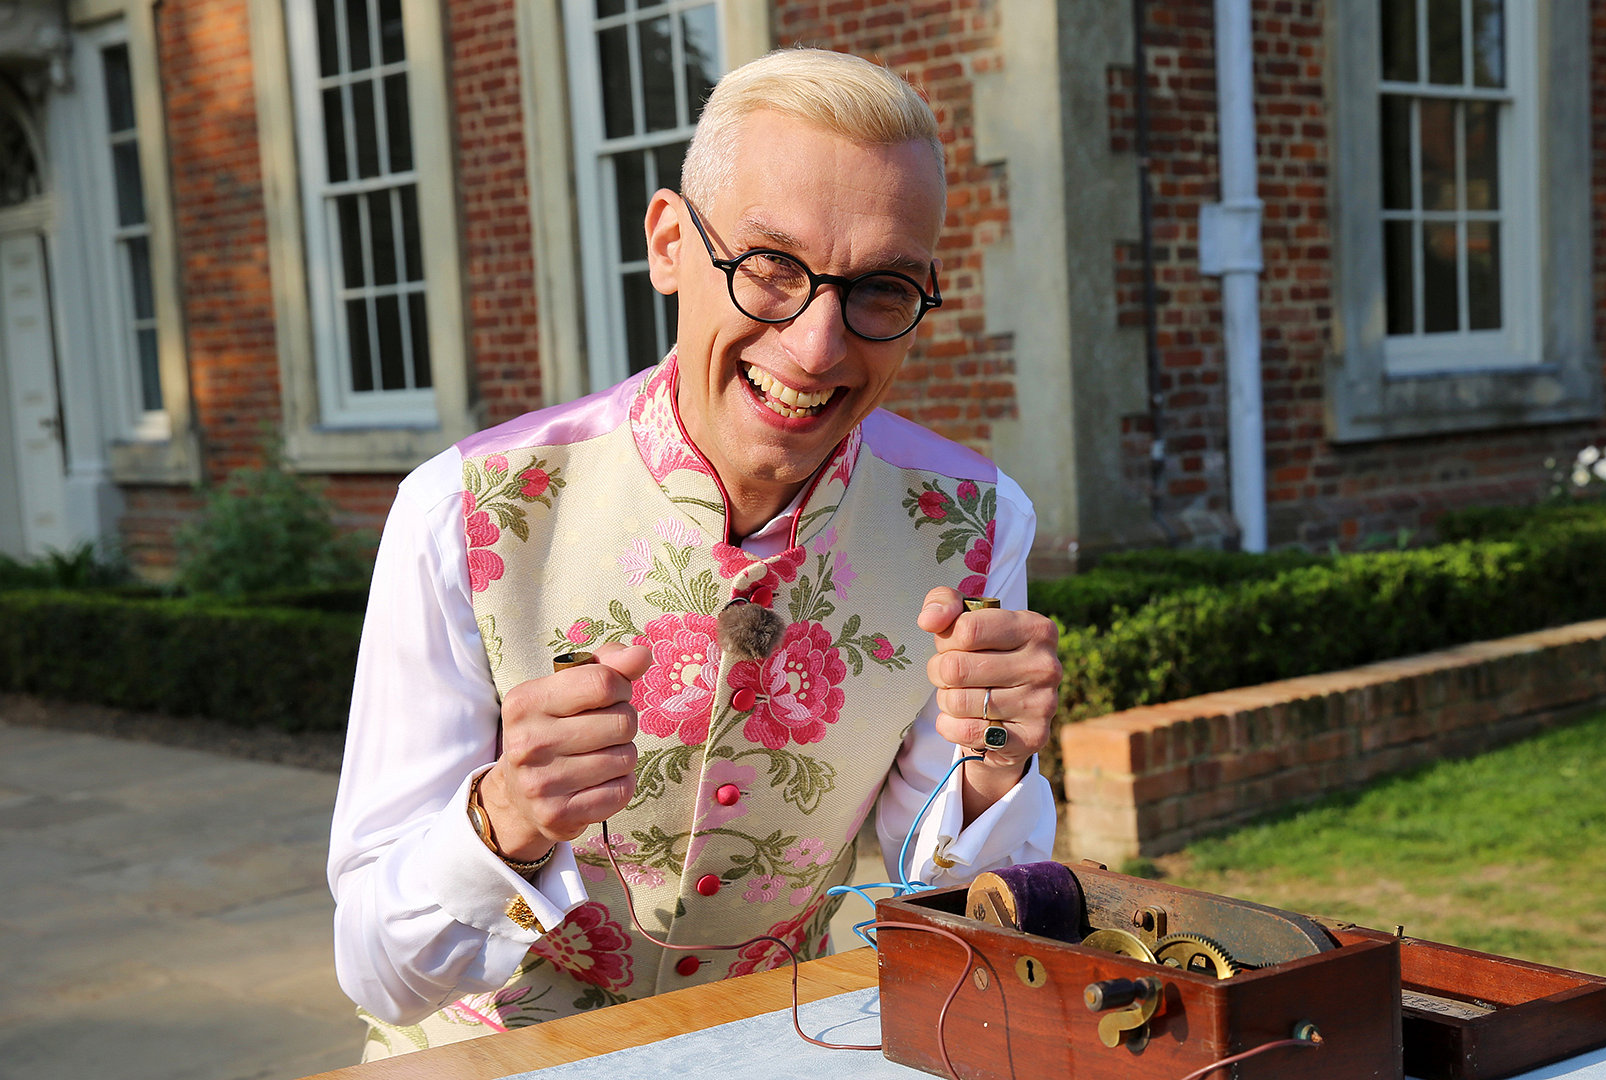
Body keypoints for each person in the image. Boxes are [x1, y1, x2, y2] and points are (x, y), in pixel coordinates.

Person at [326, 48, 1061, 1058]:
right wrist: (504, 818)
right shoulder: (461, 513)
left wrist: (995, 769)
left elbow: (963, 924)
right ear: (671, 243)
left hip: (768, 1049)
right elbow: (377, 974)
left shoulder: (973, 528)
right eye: (770, 267)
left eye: (880, 289)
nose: (816, 346)